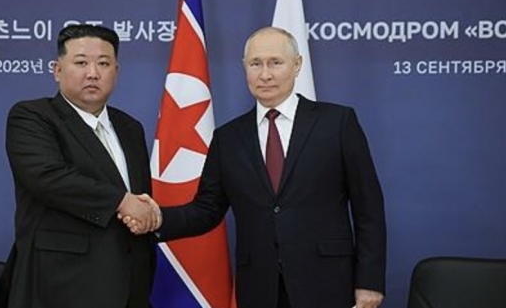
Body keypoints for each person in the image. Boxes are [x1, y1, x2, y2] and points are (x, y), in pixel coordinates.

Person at [126, 26, 386, 308]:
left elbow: (368, 208)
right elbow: (207, 210)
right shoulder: (228, 138)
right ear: (244, 68)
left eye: (275, 62)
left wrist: (369, 282)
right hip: (260, 289)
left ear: (297, 65)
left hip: (328, 283)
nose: (265, 74)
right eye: (256, 64)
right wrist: (158, 217)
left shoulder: (337, 123)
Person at [0, 24, 158, 308]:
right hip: (62, 285)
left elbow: (138, 196)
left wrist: (145, 214)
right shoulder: (32, 116)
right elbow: (49, 178)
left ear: (117, 71)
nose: (93, 73)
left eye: (104, 63)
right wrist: (122, 202)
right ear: (57, 70)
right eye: (81, 62)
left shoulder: (130, 127)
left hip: (130, 286)